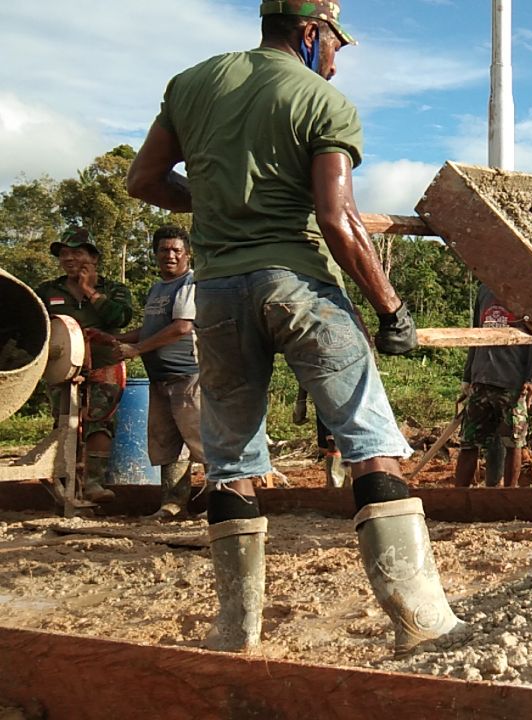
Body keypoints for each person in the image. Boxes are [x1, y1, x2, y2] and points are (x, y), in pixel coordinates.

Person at [126, 0, 463, 655]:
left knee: (229, 463)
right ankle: (421, 623)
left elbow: (144, 179)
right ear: (311, 33)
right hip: (298, 285)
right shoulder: (320, 102)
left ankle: (236, 632)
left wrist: (219, 198)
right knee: (371, 442)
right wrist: (392, 308)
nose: (336, 63)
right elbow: (338, 222)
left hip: (217, 293)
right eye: (336, 46)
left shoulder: (191, 84)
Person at [34, 227, 134, 504]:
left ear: (93, 259)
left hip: (103, 364)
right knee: (64, 423)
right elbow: (35, 323)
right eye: (64, 254)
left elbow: (121, 318)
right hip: (62, 367)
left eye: (76, 253)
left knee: (100, 422)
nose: (68, 259)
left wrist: (90, 290)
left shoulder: (113, 289)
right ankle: (66, 484)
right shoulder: (48, 290)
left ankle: (93, 484)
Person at [111, 226, 205, 520]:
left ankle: (223, 503)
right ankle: (173, 505)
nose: (171, 255)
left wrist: (137, 350)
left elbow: (182, 327)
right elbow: (151, 328)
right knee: (167, 444)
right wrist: (119, 338)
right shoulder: (156, 289)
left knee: (203, 441)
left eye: (177, 250)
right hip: (160, 379)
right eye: (164, 250)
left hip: (188, 376)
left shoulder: (189, 284)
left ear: (188, 254)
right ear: (155, 254)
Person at [454, 285, 532, 488]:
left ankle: (508, 494)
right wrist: (467, 377)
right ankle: (459, 496)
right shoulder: (484, 290)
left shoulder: (529, 293)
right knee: (468, 442)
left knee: (513, 441)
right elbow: (476, 334)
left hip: (513, 383)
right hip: (481, 380)